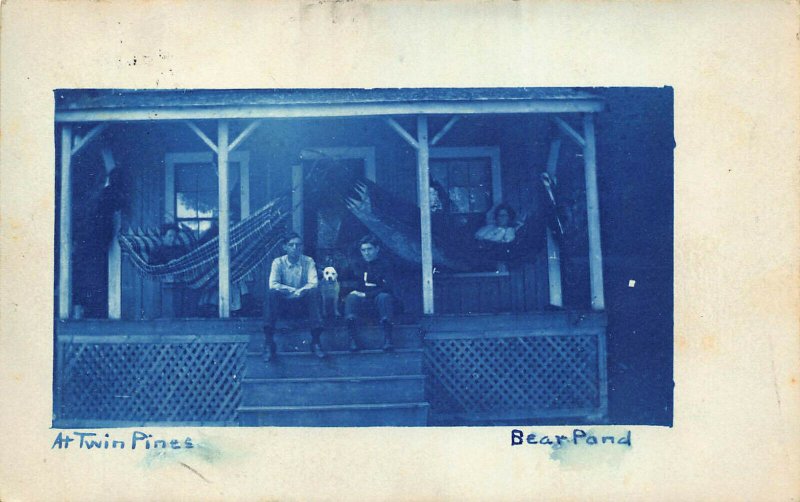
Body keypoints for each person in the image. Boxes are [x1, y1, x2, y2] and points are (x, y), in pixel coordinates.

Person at [263, 232, 324, 361]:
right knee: (271, 294)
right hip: (284, 305)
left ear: (302, 247)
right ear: (285, 247)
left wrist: (300, 292)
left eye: (298, 245)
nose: (295, 248)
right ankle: (269, 343)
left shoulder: (308, 261)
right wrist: (293, 290)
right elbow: (273, 284)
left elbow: (313, 283)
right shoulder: (278, 262)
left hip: (303, 304)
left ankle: (316, 341)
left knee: (314, 292)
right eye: (291, 245)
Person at [344, 234, 396, 351]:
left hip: (379, 299)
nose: (366, 253)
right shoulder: (357, 265)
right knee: (351, 297)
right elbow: (349, 281)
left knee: (384, 297)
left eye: (369, 249)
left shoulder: (386, 265)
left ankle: (388, 339)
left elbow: (388, 287)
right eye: (363, 250)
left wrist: (367, 294)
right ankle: (353, 340)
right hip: (362, 301)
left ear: (377, 249)